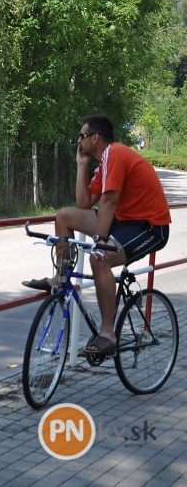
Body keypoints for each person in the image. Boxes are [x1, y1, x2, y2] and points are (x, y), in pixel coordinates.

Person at [22, 115, 171, 355]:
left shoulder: (115, 154)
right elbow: (84, 203)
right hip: (123, 221)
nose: (78, 140)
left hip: (149, 226)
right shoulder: (103, 163)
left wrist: (100, 240)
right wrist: (82, 165)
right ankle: (60, 278)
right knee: (64, 216)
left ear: (95, 138)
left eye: (81, 135)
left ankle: (108, 333)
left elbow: (109, 200)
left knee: (99, 258)